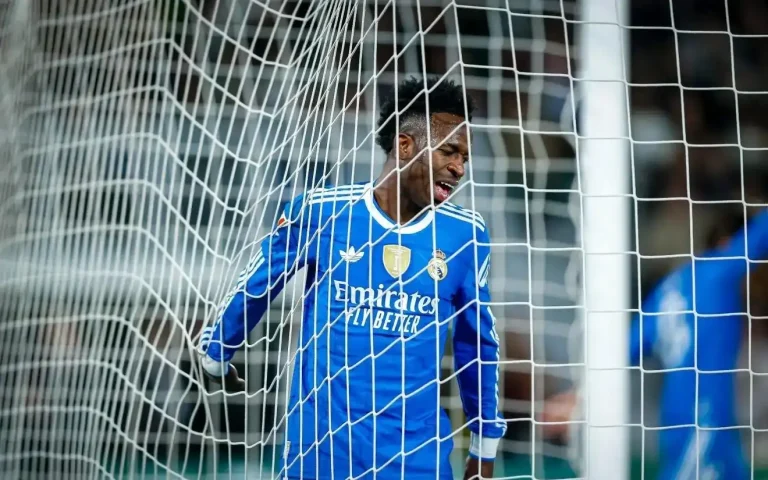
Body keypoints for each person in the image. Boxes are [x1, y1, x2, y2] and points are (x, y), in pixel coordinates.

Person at [196, 76, 506, 480]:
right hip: (321, 450)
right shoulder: (323, 211)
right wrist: (218, 350)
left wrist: (484, 444)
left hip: (416, 457)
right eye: (450, 152)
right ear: (405, 145)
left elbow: (476, 341)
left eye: (465, 158)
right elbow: (257, 283)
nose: (459, 168)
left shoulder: (466, 234)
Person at [544, 206, 768, 479]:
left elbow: (622, 351)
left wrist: (578, 395)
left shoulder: (670, 287)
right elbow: (762, 232)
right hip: (704, 425)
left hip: (679, 423)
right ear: (727, 243)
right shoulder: (721, 271)